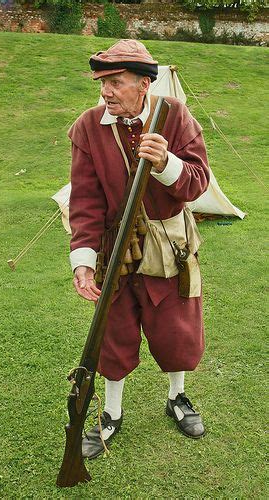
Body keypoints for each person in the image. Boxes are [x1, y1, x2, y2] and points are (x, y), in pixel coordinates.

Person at [68, 39, 210, 459]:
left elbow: (198, 181)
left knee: (176, 331)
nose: (106, 91)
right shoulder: (88, 127)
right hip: (117, 250)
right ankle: (111, 413)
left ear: (144, 84)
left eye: (116, 81)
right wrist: (84, 261)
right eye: (102, 82)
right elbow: (86, 200)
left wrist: (167, 164)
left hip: (170, 247)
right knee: (113, 334)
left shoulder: (176, 117)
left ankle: (176, 398)